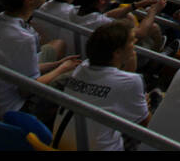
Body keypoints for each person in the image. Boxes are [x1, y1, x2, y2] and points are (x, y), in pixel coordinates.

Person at [55, 19, 151, 151]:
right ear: (117, 52)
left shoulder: (82, 67)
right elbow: (147, 127)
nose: (134, 44)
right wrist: (144, 105)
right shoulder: (131, 81)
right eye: (131, 41)